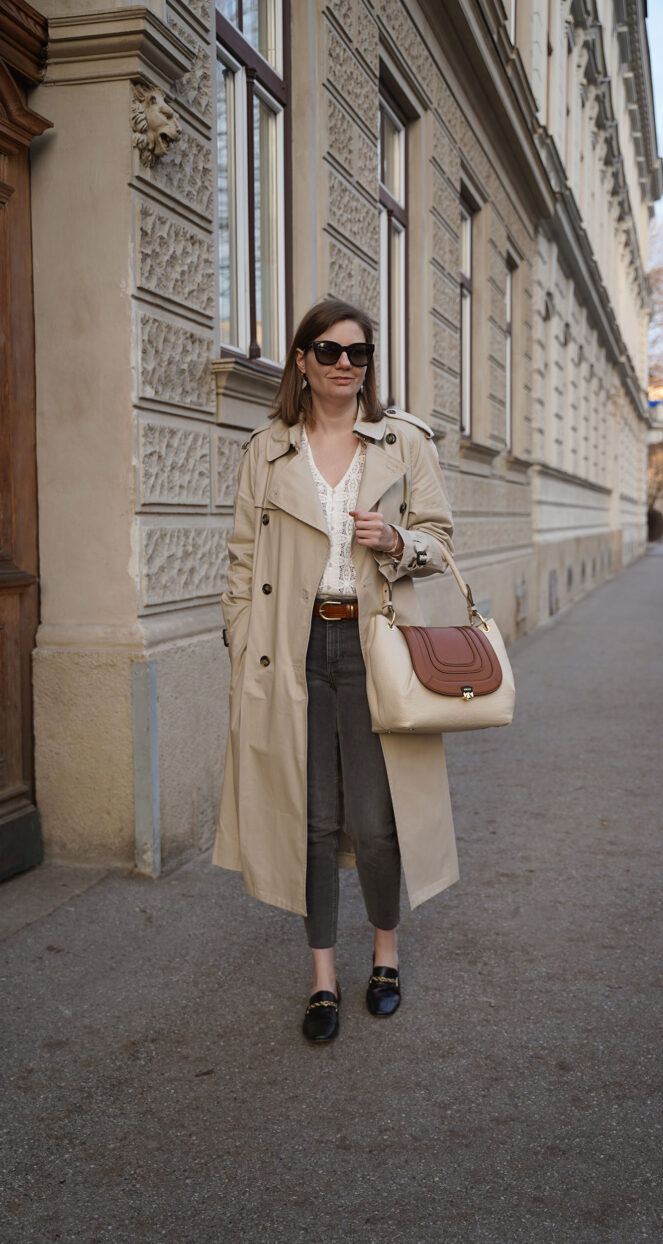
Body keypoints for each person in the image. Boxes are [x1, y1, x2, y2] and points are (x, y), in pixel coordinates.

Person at [213, 298, 458, 1042]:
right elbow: (241, 561)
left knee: (378, 826)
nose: (346, 364)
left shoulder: (403, 443)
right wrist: (241, 636)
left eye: (359, 353)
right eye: (329, 351)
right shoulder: (267, 450)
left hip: (375, 648)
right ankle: (322, 977)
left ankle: (385, 955)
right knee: (310, 821)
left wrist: (397, 542)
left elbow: (443, 543)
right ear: (302, 361)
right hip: (292, 652)